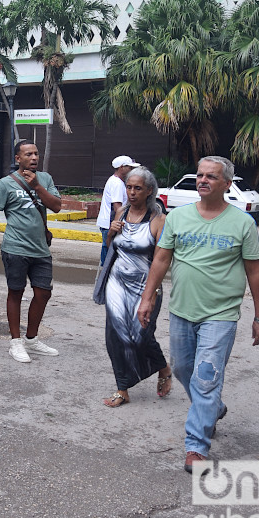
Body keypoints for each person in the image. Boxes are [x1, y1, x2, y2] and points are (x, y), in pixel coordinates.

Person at [136, 156, 259, 473]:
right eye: (199, 175)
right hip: (182, 309)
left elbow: (255, 271)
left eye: (211, 176)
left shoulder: (242, 223)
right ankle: (214, 408)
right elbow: (161, 260)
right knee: (183, 369)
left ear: (226, 184)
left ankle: (196, 447)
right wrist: (147, 298)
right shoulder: (178, 219)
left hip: (220, 314)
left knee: (206, 377)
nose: (203, 180)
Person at [0, 139, 62, 363]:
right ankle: (15, 342)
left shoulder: (45, 179)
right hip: (15, 247)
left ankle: (32, 340)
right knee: (15, 292)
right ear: (18, 159)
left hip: (40, 249)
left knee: (43, 292)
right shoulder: (6, 183)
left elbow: (56, 206)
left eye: (36, 154)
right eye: (28, 154)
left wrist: (37, 186)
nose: (34, 158)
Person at [95, 166, 172, 408]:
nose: (131, 192)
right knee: (116, 336)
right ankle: (122, 388)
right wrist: (111, 233)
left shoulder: (159, 220)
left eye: (137, 188)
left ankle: (163, 368)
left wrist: (152, 293)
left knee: (141, 336)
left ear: (149, 191)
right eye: (129, 187)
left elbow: (161, 260)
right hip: (117, 283)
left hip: (145, 285)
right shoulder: (120, 213)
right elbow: (111, 248)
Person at [97, 155, 139, 265]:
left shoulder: (116, 181)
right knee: (110, 256)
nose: (131, 170)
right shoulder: (117, 184)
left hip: (108, 223)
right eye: (129, 167)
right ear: (121, 168)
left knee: (108, 253)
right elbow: (118, 208)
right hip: (110, 224)